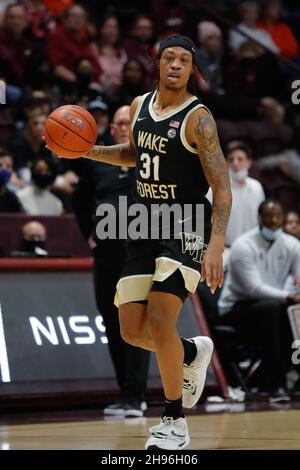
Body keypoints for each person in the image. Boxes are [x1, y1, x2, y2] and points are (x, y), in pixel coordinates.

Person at [49, 35, 232, 450]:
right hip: (144, 222)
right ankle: (189, 352)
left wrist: (216, 245)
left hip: (185, 221)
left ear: (191, 70)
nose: (175, 65)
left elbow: (222, 187)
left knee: (161, 321)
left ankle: (174, 420)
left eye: (184, 60)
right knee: (133, 330)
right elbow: (134, 154)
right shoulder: (138, 106)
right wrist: (87, 151)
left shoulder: (198, 119)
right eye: (169, 57)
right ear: (158, 63)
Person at [73, 105, 150, 418]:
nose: (122, 127)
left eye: (128, 123)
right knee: (111, 322)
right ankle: (125, 393)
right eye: (118, 124)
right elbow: (79, 200)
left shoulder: (149, 160)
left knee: (137, 324)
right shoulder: (98, 164)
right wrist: (87, 234)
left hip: (139, 254)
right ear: (112, 129)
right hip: (105, 255)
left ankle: (137, 396)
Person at [218, 199, 300, 402]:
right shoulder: (242, 245)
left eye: (277, 216)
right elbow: (254, 288)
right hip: (236, 307)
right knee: (272, 309)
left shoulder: (292, 245)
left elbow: (298, 280)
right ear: (259, 218)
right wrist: (289, 297)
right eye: (268, 216)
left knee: (288, 311)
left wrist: (293, 296)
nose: (273, 220)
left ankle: (295, 376)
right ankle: (276, 384)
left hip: (276, 305)